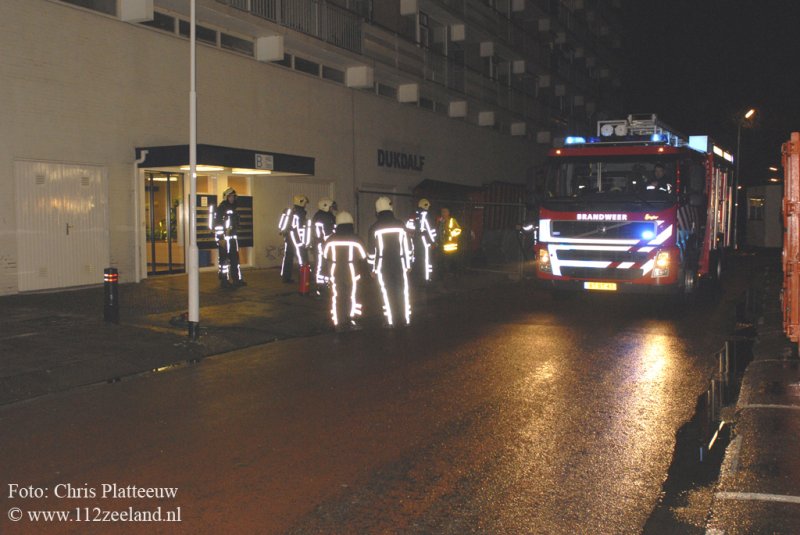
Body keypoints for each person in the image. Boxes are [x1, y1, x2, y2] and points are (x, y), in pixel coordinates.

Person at [367, 196, 413, 328]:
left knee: (386, 293)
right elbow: (407, 246)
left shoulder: (374, 228)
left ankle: (390, 321)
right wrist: (408, 265)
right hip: (400, 264)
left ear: (377, 211)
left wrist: (372, 269)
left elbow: (371, 252)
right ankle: (406, 319)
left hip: (382, 267)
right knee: (402, 291)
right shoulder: (400, 225)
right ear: (391, 208)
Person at [322, 211, 367, 332]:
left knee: (337, 296)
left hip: (335, 272)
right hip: (352, 272)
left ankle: (337, 323)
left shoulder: (330, 240)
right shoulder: (356, 239)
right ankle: (352, 320)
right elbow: (363, 256)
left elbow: (325, 255)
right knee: (353, 297)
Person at [213, 187, 245, 288]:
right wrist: (221, 238)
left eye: (233, 197)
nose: (232, 198)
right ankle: (224, 281)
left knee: (235, 259)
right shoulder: (221, 208)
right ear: (226, 197)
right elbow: (217, 225)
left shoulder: (233, 208)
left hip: (232, 238)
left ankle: (237, 279)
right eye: (230, 196)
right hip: (224, 239)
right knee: (224, 261)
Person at [278, 195, 310, 283]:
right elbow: (300, 228)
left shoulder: (292, 211)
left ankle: (286, 277)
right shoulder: (299, 213)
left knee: (288, 257)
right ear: (301, 202)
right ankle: (304, 277)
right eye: (305, 203)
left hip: (289, 237)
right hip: (296, 238)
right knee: (302, 257)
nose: (305, 205)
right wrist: (303, 241)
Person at [406, 198, 437, 284]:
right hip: (424, 242)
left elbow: (408, 228)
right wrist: (433, 242)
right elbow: (430, 230)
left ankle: (415, 277)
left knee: (415, 259)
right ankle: (427, 279)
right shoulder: (426, 216)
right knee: (426, 261)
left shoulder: (413, 215)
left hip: (414, 241)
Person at [311, 197, 336, 295]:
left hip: (327, 244)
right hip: (321, 244)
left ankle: (326, 283)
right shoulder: (320, 217)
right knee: (321, 264)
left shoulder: (328, 216)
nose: (331, 209)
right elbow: (319, 234)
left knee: (327, 264)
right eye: (330, 207)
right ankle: (320, 285)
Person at [437, 206, 462, 279]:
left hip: (450, 246)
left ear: (448, 213)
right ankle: (444, 274)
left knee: (450, 260)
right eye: (442, 212)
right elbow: (438, 232)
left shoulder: (452, 220)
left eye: (445, 211)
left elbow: (458, 230)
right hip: (441, 244)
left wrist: (449, 234)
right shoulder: (440, 221)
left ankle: (451, 274)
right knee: (443, 261)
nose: (443, 213)